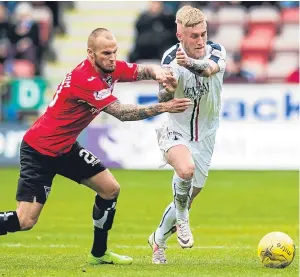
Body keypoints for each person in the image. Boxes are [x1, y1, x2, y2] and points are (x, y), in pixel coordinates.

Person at [0, 28, 192, 266]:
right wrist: (163, 107)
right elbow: (122, 113)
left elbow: (141, 70)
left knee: (110, 189)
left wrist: (160, 74)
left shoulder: (110, 68)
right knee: (25, 221)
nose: (112, 57)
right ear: (91, 54)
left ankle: (98, 253)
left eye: (114, 52)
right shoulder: (85, 79)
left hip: (66, 148)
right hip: (40, 150)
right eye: (106, 53)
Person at [147, 5, 226, 264]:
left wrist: (189, 62)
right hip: (176, 130)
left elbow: (208, 70)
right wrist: (168, 91)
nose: (201, 40)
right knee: (186, 171)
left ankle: (157, 240)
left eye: (203, 34)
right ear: (180, 34)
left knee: (191, 192)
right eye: (194, 36)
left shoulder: (217, 51)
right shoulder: (169, 58)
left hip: (206, 134)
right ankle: (182, 218)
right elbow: (163, 96)